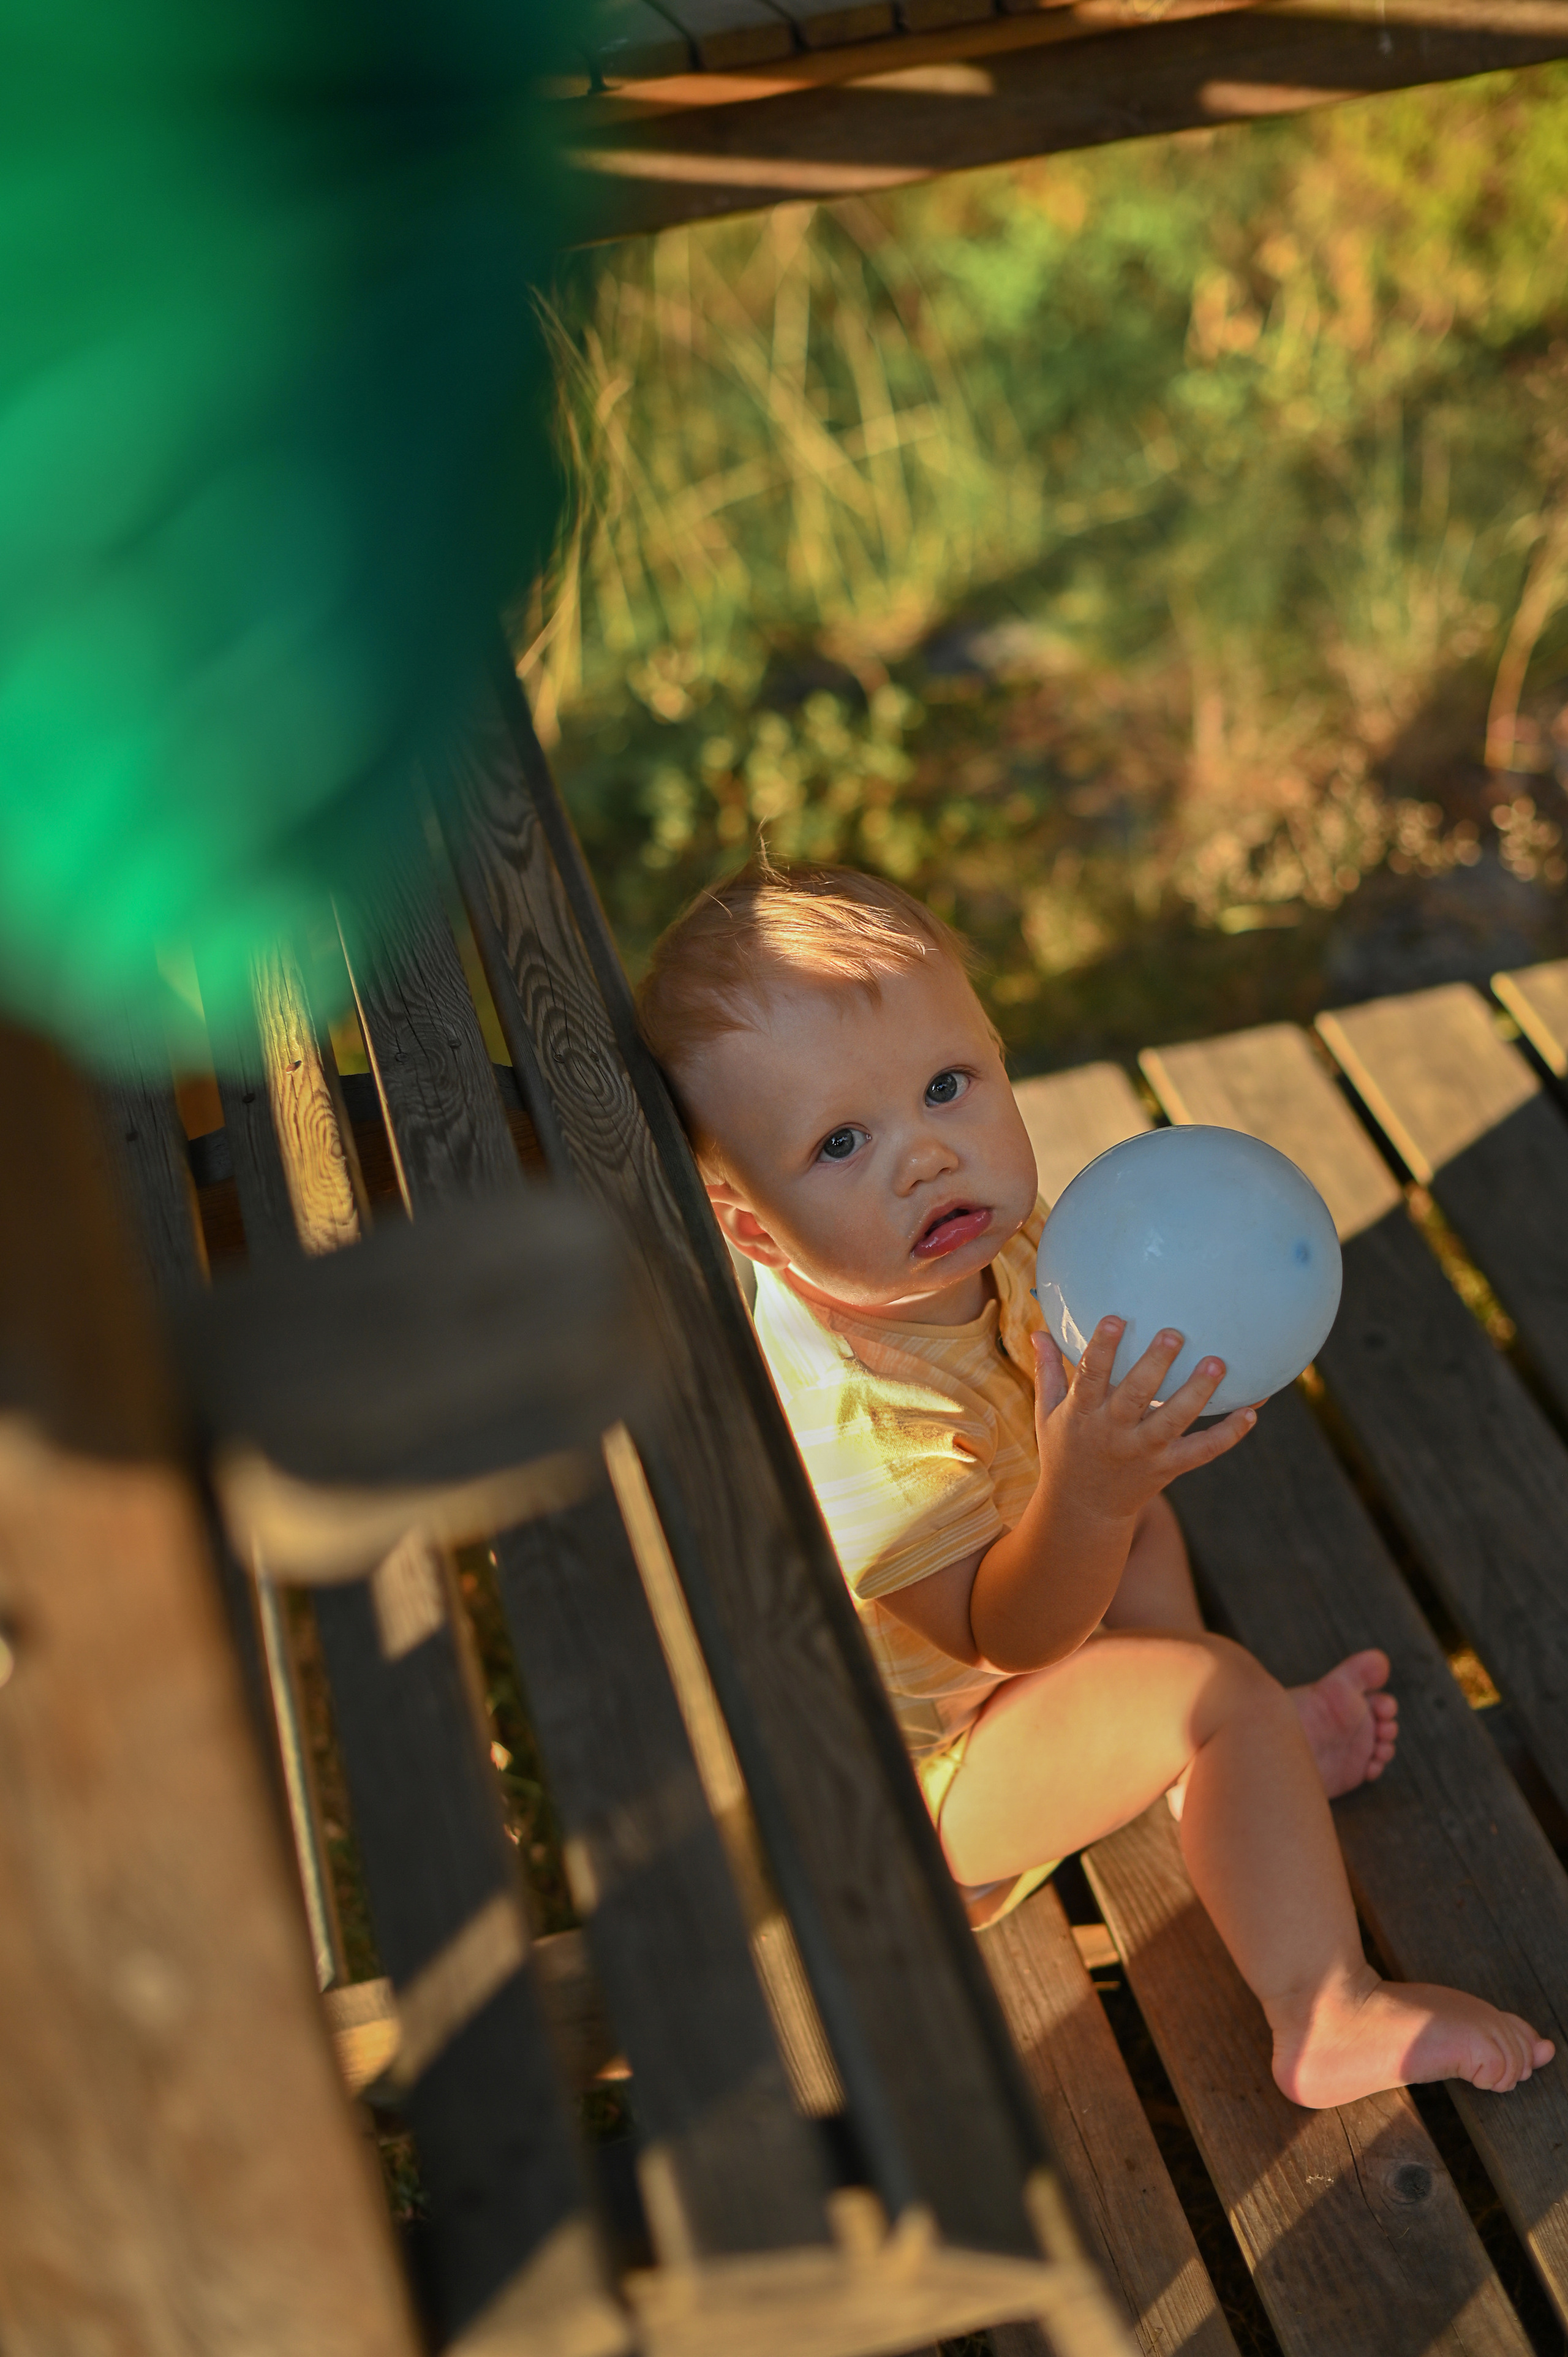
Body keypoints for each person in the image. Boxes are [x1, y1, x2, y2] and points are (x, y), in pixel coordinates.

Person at [636, 858, 1553, 2108]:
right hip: (931, 1794)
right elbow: (1010, 1631)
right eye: (840, 1142)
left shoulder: (987, 1238)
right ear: (748, 1224)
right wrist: (1088, 1495)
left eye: (947, 1085)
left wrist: (1111, 1479)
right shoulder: (848, 1427)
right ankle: (1322, 2010)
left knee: (1146, 1537)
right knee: (1210, 1679)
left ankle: (1217, 1780)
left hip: (1018, 1664)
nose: (925, 1156)